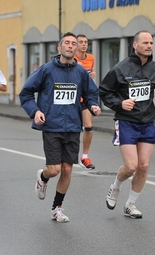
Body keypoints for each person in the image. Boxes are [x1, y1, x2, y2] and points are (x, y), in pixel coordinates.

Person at [19, 32, 101, 222]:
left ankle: (57, 208)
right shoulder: (46, 70)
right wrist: (35, 112)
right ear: (59, 47)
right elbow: (26, 94)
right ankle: (44, 176)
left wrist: (93, 105)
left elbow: (91, 93)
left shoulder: (80, 72)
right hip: (52, 126)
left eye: (74, 43)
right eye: (67, 43)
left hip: (72, 126)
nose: (71, 46)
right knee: (54, 169)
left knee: (67, 169)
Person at [99, 30, 155, 219]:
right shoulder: (120, 69)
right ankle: (115, 186)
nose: (149, 46)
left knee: (143, 166)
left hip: (147, 121)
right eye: (145, 43)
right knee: (131, 166)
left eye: (151, 43)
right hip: (127, 121)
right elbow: (105, 92)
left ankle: (130, 204)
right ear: (135, 45)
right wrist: (120, 103)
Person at [74, 34, 96, 170]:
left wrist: (91, 75)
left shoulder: (91, 58)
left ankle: (85, 156)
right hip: (73, 99)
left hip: (85, 98)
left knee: (88, 126)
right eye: (81, 42)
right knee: (74, 128)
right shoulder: (72, 59)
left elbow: (90, 74)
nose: (83, 44)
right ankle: (69, 154)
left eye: (85, 42)